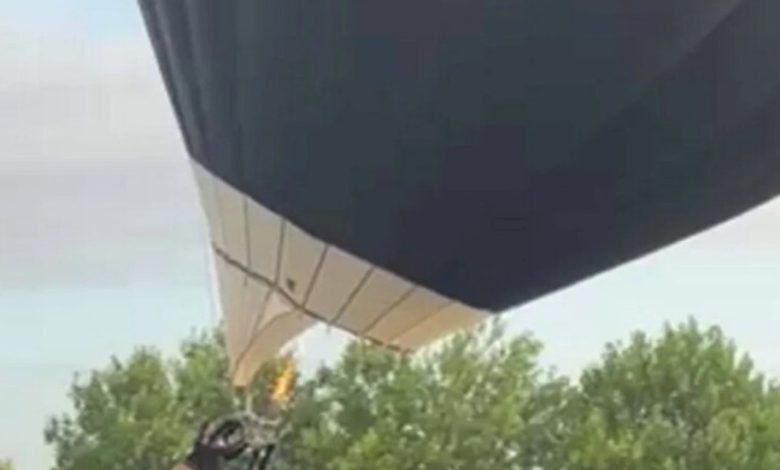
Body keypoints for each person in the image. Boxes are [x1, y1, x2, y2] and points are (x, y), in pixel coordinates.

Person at [172, 419, 248, 470]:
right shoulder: (205, 445)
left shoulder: (207, 446)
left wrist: (243, 444)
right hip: (194, 464)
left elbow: (229, 453)